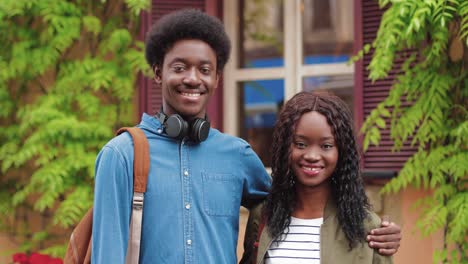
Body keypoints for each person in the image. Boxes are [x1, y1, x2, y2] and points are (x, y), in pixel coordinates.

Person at [91, 9, 401, 263]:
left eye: (204, 69)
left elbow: (299, 196)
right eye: (180, 67)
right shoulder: (122, 154)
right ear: (158, 72)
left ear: (217, 78)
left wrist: (371, 227)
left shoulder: (236, 155)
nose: (192, 78)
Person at [241, 91, 396, 264]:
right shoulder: (264, 215)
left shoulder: (366, 226)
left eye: (326, 146)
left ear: (341, 152)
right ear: (285, 147)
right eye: (301, 144)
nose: (312, 155)